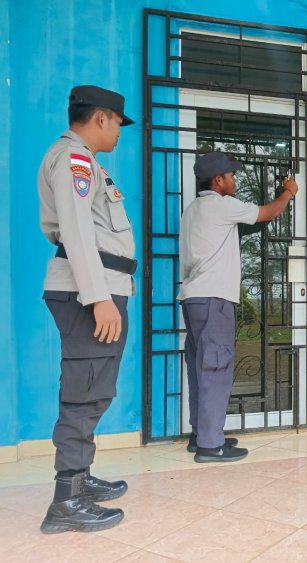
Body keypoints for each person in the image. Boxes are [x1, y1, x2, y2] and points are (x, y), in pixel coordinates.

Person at [38, 85, 137, 534]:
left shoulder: (88, 163)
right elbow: (76, 231)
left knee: (95, 387)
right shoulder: (74, 160)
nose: (119, 132)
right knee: (85, 389)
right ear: (101, 118)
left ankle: (80, 477)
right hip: (90, 292)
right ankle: (67, 499)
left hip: (102, 286)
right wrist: (97, 297)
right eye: (118, 122)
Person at [179, 151, 298, 462]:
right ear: (218, 181)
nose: (235, 179)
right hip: (214, 298)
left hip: (193, 298)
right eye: (231, 176)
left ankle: (202, 433)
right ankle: (210, 445)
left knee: (200, 369)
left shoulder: (193, 209)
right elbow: (268, 213)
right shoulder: (220, 205)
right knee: (216, 368)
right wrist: (288, 192)